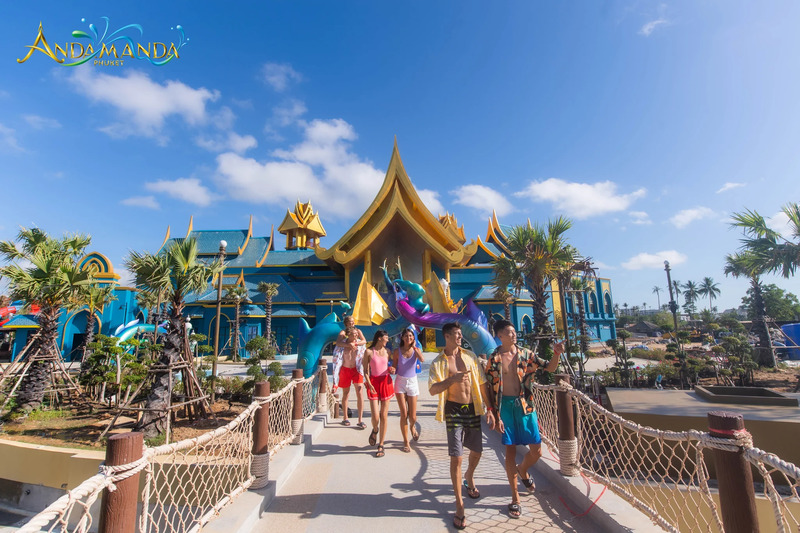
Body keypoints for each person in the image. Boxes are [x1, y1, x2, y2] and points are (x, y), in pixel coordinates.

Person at [484, 320, 562, 519]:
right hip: (505, 409)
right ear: (500, 335)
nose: (514, 334)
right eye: (509, 332)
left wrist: (557, 354)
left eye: (514, 332)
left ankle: (523, 470)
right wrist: (491, 410)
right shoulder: (493, 358)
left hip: (526, 406)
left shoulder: (527, 354)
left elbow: (550, 368)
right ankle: (515, 497)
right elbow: (486, 386)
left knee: (536, 450)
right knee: (510, 450)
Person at [428, 322, 495, 530]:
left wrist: (491, 410)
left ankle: (469, 476)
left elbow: (483, 384)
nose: (460, 337)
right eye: (457, 334)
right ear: (447, 336)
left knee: (476, 451)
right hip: (453, 410)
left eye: (460, 334)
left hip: (473, 408)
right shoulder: (439, 362)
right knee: (456, 457)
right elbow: (432, 389)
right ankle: (459, 505)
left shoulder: (470, 357)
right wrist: (452, 379)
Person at [391, 327, 425, 452]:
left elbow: (422, 359)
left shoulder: (416, 350)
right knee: (403, 414)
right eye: (406, 336)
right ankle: (406, 442)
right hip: (400, 382)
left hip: (412, 382)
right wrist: (393, 369)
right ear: (402, 338)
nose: (408, 338)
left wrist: (416, 348)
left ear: (413, 338)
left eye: (411, 336)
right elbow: (394, 365)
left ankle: (412, 427)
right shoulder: (397, 351)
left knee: (413, 416)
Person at [363, 329, 395, 457]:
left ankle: (381, 444)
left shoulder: (387, 352)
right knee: (375, 416)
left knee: (383, 415)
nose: (388, 340)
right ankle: (375, 430)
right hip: (373, 383)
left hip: (386, 382)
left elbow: (389, 366)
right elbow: (365, 370)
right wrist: (369, 384)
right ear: (380, 339)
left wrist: (391, 369)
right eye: (386, 338)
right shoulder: (369, 352)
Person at [332, 315, 367, 428]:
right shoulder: (342, 333)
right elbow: (338, 343)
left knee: (360, 392)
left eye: (353, 322)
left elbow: (364, 341)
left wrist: (355, 343)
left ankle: (360, 419)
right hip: (345, 368)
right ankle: (345, 417)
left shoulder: (358, 331)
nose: (352, 324)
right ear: (346, 324)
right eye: (350, 322)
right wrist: (348, 344)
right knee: (346, 393)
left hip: (356, 369)